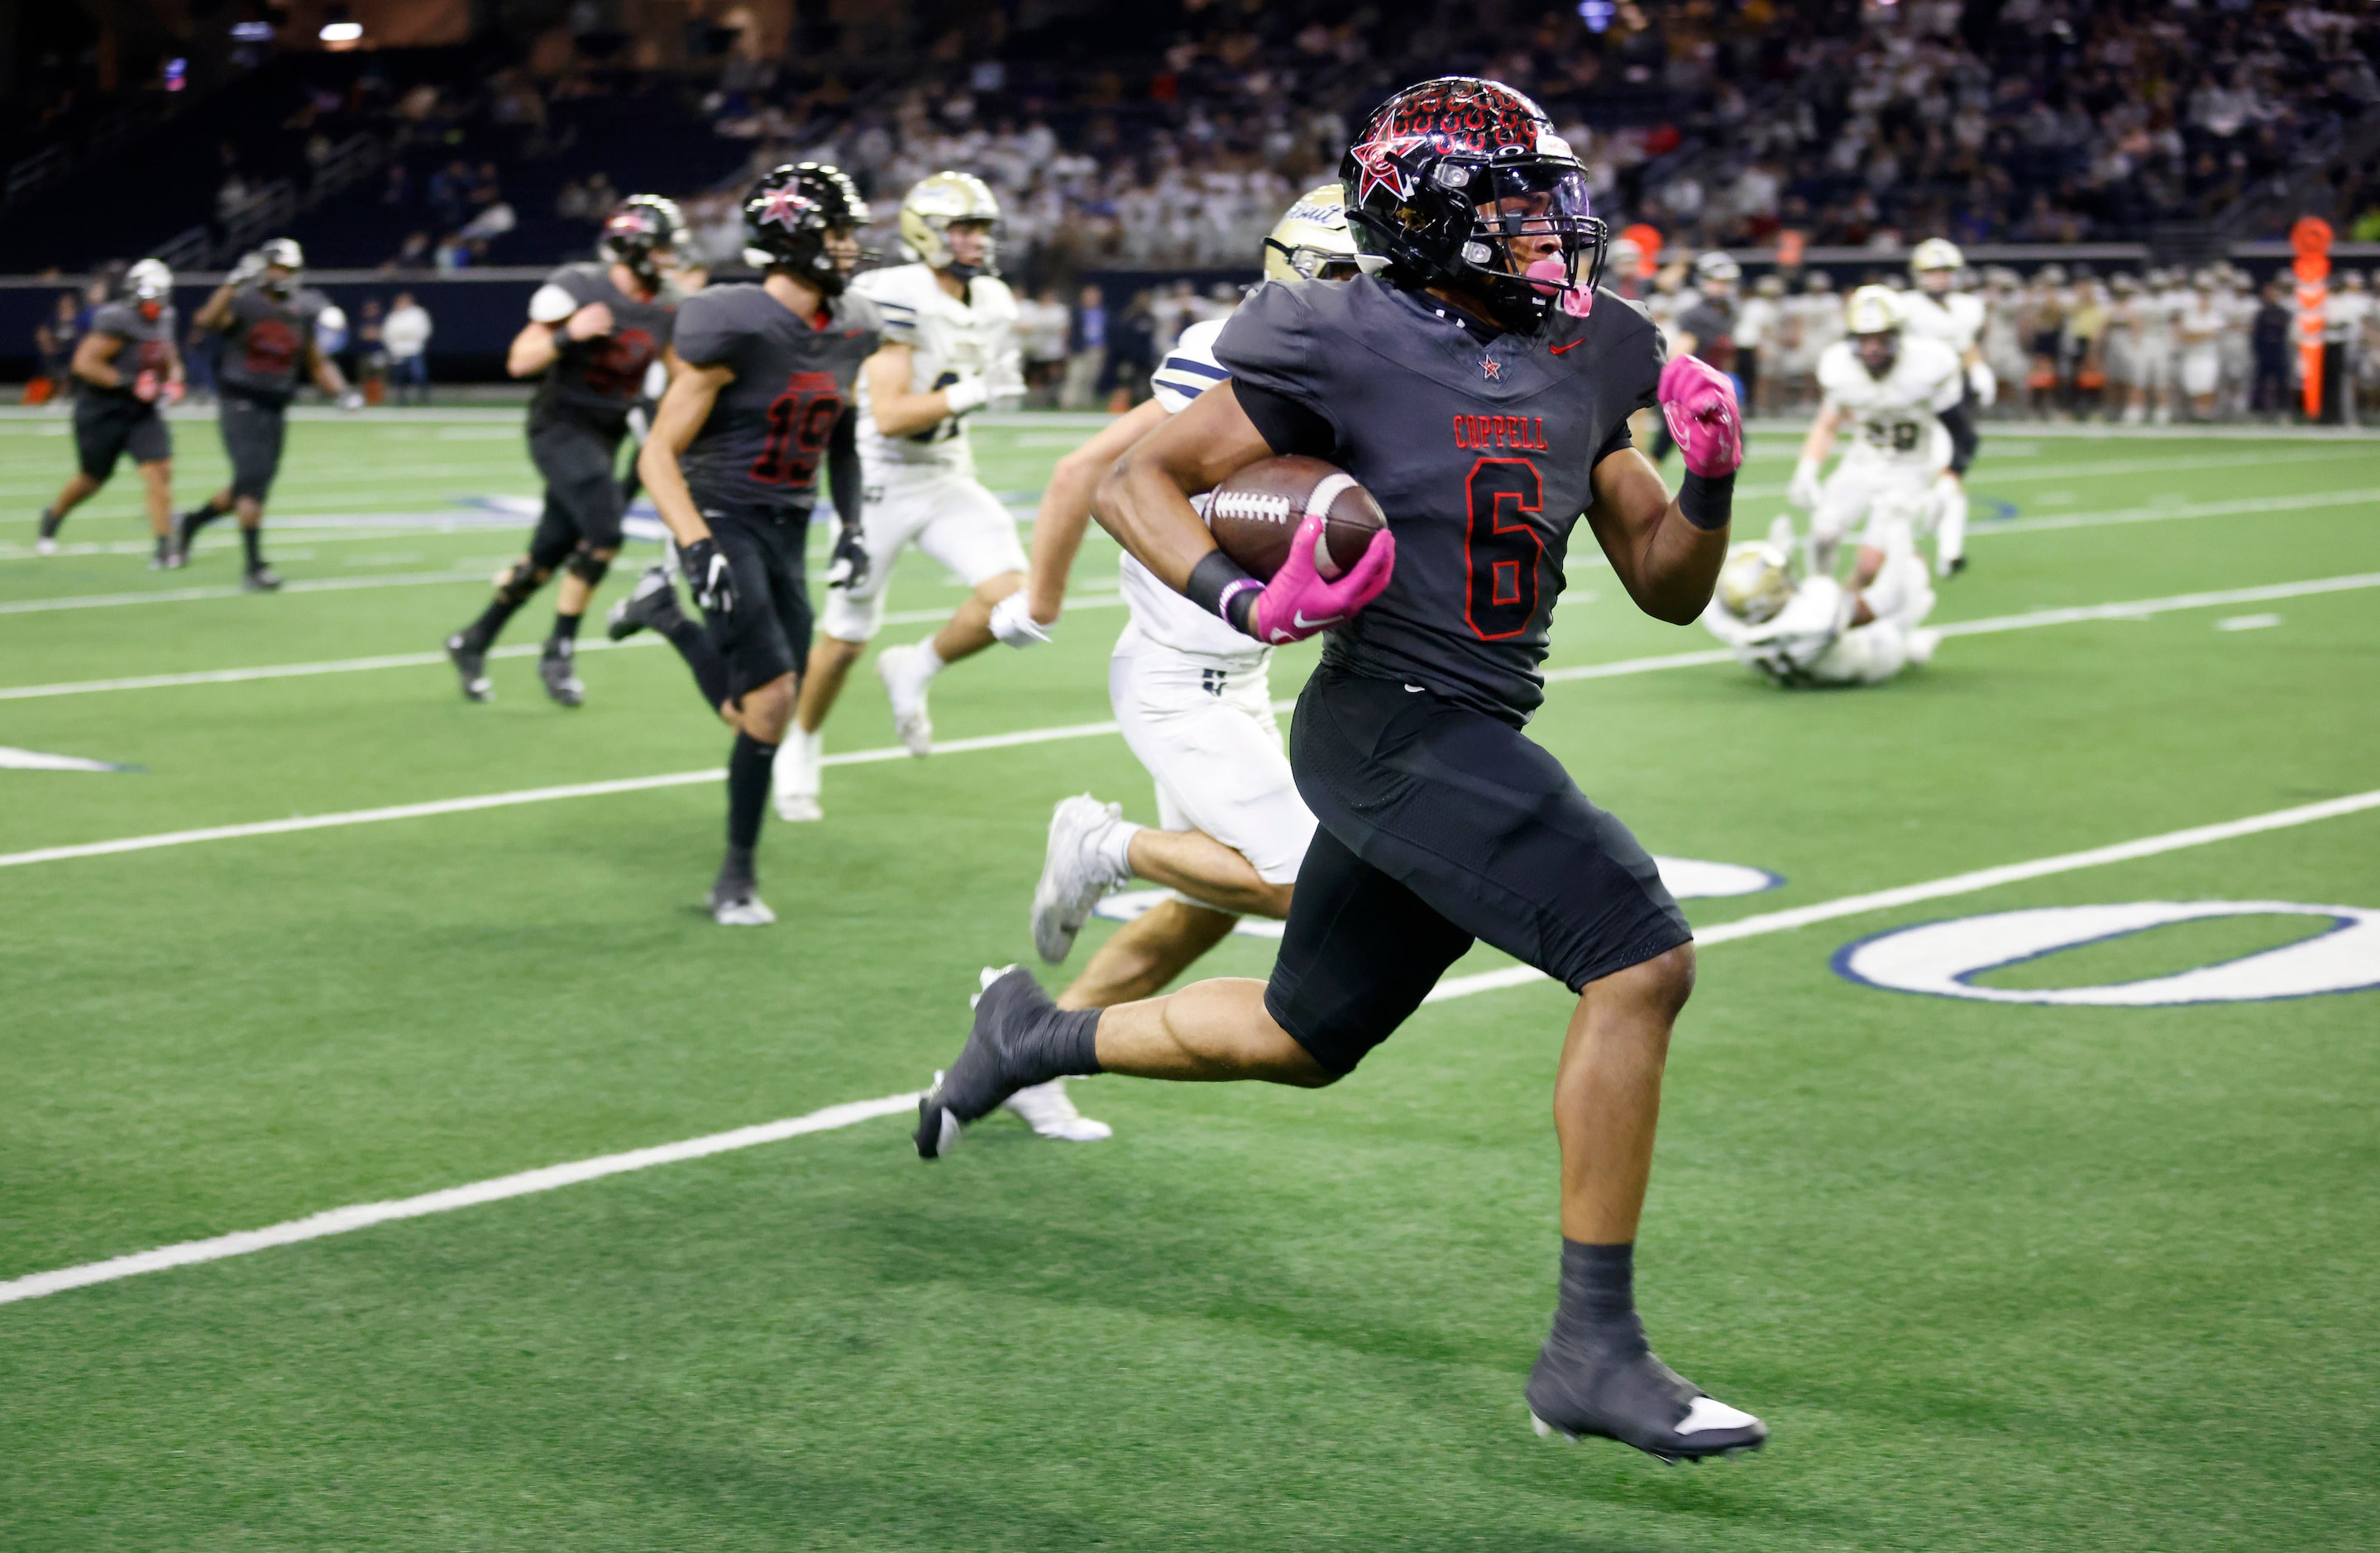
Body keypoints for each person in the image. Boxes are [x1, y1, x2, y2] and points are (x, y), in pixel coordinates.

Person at [910, 76, 1766, 1465]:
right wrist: (1243, 602)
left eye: (1551, 203)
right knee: (1638, 957)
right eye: (1513, 208)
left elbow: (1667, 584)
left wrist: (1714, 482)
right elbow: (1138, 480)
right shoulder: (1330, 332)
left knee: (1303, 1038)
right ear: (1424, 223)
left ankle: (1031, 1033)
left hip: (1463, 721)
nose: (1552, 232)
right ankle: (1589, 1354)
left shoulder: (1592, 347)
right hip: (1386, 721)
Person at [1002, 184, 1374, 1144]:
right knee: (1298, 881)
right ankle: (1100, 846)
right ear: (1293, 269)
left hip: (1236, 677)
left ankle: (1033, 1048)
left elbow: (1084, 466)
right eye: (1345, 270)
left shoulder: (1357, 365)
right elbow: (1102, 477)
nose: (1367, 291)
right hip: (1175, 678)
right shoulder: (1230, 350)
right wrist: (1037, 600)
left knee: (1201, 913)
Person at [609, 164, 880, 925]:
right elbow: (656, 454)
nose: (852, 246)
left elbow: (845, 436)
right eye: (838, 232)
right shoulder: (732, 321)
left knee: (764, 711)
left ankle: (663, 616)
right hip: (722, 512)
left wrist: (852, 526)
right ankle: (735, 875)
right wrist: (696, 545)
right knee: (772, 701)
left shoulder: (855, 324)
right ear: (793, 238)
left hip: (790, 523)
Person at [771, 171, 1027, 817]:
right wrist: (975, 391)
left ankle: (916, 666)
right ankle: (800, 739)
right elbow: (886, 414)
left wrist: (985, 384)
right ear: (927, 233)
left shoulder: (993, 300)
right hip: (880, 481)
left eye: (980, 229)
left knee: (1019, 607)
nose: (974, 241)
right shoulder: (897, 293)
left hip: (945, 474)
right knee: (846, 637)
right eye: (962, 228)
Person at [442, 196, 685, 707]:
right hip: (560, 426)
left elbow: (680, 376)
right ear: (635, 247)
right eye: (662, 248)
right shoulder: (580, 287)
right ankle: (559, 650)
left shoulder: (667, 305)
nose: (669, 259)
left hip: (608, 434)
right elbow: (519, 360)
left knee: (547, 555)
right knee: (604, 534)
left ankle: (473, 640)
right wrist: (569, 335)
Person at [170, 240, 357, 589]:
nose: (283, 276)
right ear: (265, 267)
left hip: (275, 406)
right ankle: (254, 567)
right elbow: (206, 320)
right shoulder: (245, 300)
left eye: (290, 270)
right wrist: (231, 283)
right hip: (240, 400)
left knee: (251, 485)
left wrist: (342, 391)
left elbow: (315, 362)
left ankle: (192, 522)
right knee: (252, 480)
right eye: (279, 268)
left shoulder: (299, 310)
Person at [1788, 285, 1964, 585]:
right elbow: (1827, 425)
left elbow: (1961, 433)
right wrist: (1807, 468)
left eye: (1881, 338)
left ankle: (1846, 611)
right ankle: (1821, 596)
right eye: (1864, 338)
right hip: (1862, 461)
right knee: (1822, 533)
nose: (1872, 347)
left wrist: (1947, 481)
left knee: (1870, 566)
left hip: (1909, 467)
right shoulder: (1840, 367)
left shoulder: (1928, 365)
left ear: (1898, 335)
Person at [36, 259, 183, 565]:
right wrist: (129, 383)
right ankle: (53, 515)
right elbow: (85, 364)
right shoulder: (115, 318)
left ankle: (165, 546)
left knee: (159, 472)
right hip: (102, 411)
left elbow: (168, 355)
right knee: (92, 479)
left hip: (141, 411)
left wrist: (174, 381)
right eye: (151, 296)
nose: (156, 303)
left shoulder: (165, 317)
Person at [1703, 518, 1938, 686]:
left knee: (1835, 594)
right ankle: (1910, 646)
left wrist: (1777, 552)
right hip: (1869, 658)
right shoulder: (1813, 623)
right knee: (1912, 578)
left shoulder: (1731, 623)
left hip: (1799, 666)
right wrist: (1899, 535)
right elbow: (1884, 600)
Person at [1898, 239, 1990, 576]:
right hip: (1915, 398)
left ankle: (1950, 551)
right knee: (1925, 473)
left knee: (1953, 469)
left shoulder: (1967, 306)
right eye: (1932, 272)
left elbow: (1966, 345)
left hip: (1954, 396)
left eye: (1945, 272)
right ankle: (1917, 546)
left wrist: (1979, 370)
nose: (1939, 279)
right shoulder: (1904, 306)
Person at [383, 292, 433, 404]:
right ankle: (401, 400)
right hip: (398, 352)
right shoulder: (393, 316)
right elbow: (387, 333)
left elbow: (423, 331)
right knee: (400, 377)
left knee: (419, 375)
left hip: (414, 350)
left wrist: (406, 335)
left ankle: (423, 399)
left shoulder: (418, 314)